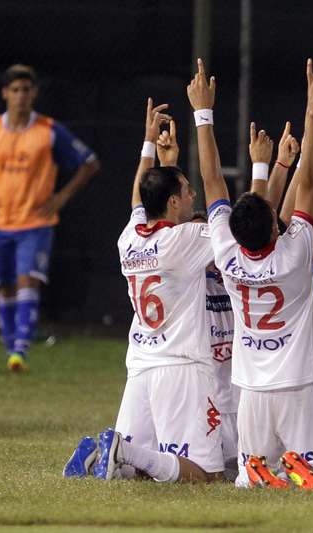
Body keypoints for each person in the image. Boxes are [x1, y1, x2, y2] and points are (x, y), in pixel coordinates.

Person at [194, 57, 313, 491]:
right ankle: (298, 468)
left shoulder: (226, 253)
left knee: (245, 477)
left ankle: (259, 473)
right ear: (275, 227)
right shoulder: (295, 251)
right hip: (299, 381)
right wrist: (312, 112)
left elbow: (212, 183)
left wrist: (202, 114)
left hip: (252, 389)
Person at [65, 99, 224, 483]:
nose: (193, 196)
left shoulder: (128, 238)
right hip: (181, 365)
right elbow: (219, 195)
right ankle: (122, 450)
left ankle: (105, 454)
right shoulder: (185, 240)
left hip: (141, 362)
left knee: (136, 471)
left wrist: (150, 146)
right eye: (186, 192)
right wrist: (204, 116)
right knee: (206, 475)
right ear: (173, 202)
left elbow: (141, 199)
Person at [0, 64, 100, 372]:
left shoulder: (48, 131)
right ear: (5, 93)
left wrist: (61, 196)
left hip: (35, 222)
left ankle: (21, 347)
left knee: (27, 279)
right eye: (15, 90)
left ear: (34, 93)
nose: (20, 96)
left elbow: (89, 162)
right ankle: (10, 347)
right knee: (3, 285)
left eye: (26, 90)